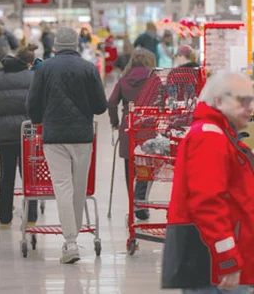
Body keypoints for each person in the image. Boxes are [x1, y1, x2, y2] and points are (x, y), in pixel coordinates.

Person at [162, 71, 254, 294]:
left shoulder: (220, 135)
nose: (250, 108)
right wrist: (227, 259)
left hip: (217, 262)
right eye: (243, 101)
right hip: (212, 266)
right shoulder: (209, 138)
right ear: (218, 101)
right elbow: (206, 203)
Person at [27, 26, 107, 264]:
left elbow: (32, 104)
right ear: (76, 45)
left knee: (62, 187)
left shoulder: (43, 69)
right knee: (79, 189)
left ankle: (70, 242)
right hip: (82, 137)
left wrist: (40, 119)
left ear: (55, 47)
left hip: (54, 137)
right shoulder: (89, 68)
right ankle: (74, 237)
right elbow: (100, 106)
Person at [0, 44, 39, 226]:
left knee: (6, 176)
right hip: (27, 133)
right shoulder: (34, 78)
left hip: (3, 135)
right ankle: (30, 216)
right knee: (29, 175)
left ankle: (4, 218)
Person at [108, 48, 157, 220]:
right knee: (146, 166)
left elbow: (112, 103)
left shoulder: (123, 80)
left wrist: (114, 122)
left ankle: (134, 203)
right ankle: (140, 203)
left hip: (128, 127)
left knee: (131, 168)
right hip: (149, 127)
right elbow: (163, 100)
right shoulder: (154, 79)